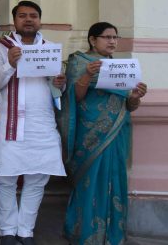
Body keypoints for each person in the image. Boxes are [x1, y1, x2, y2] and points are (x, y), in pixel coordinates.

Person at [61, 22, 147, 245]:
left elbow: (129, 105)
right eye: (107, 37)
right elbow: (73, 98)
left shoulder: (121, 68)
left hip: (116, 133)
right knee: (90, 180)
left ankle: (112, 235)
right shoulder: (79, 62)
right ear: (92, 40)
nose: (112, 41)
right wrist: (86, 76)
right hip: (90, 135)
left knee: (116, 178)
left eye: (115, 37)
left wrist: (135, 96)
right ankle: (84, 233)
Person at [0, 1, 67, 245]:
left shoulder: (50, 49)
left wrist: (60, 84)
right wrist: (10, 64)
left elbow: (57, 91)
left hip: (41, 125)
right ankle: (7, 231)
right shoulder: (2, 47)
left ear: (39, 20)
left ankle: (25, 231)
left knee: (37, 179)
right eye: (22, 15)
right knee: (6, 179)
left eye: (33, 15)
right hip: (10, 124)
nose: (28, 19)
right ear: (15, 21)